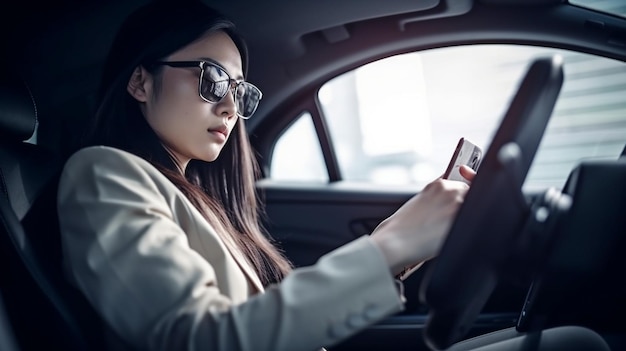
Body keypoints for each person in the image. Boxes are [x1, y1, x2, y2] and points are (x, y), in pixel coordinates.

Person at [56, 1, 475, 350]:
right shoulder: (101, 172)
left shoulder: (199, 201)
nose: (229, 108)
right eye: (213, 79)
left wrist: (399, 251)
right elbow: (200, 340)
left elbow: (272, 322)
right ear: (139, 82)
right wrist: (390, 245)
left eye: (238, 91)